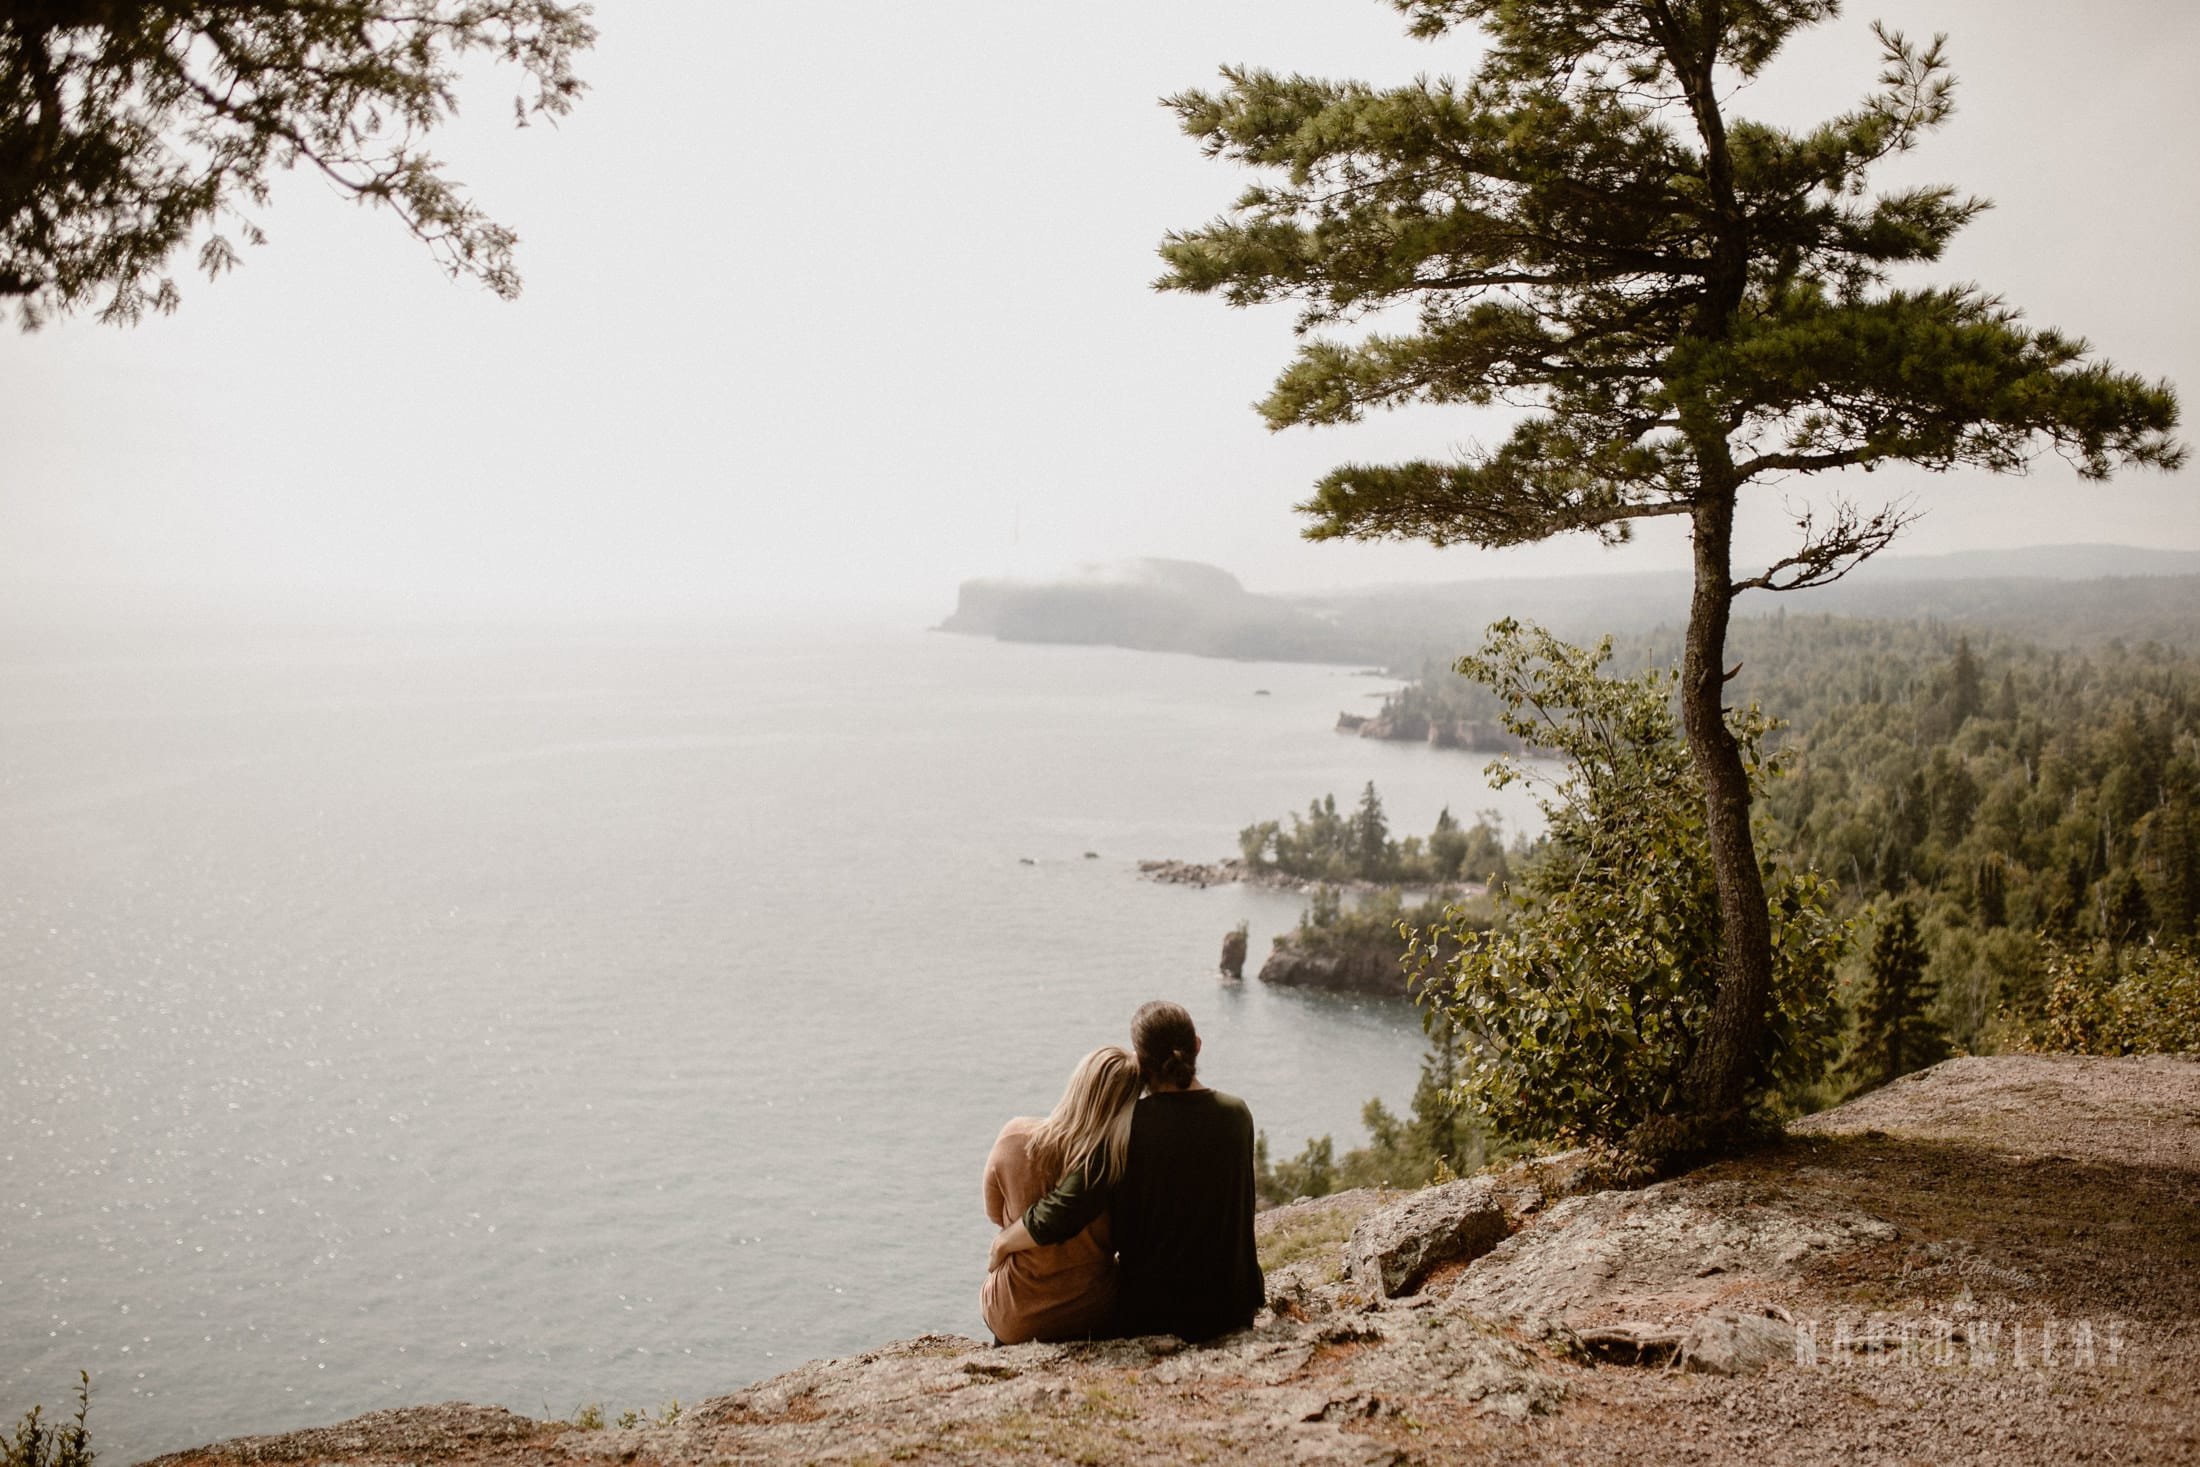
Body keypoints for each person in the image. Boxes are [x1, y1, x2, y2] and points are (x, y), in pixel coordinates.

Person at [989, 1001, 1265, 1342]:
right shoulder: (1237, 1114)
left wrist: (1004, 1242)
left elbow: (1062, 1211)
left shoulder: (1127, 1129)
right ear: (1197, 1045)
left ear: (1140, 1062)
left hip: (1155, 1314)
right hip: (1233, 1306)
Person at [980, 1045, 1141, 1344]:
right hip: (1094, 1311)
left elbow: (993, 1212)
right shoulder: (1119, 1159)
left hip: (1015, 1316)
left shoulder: (1015, 1136)